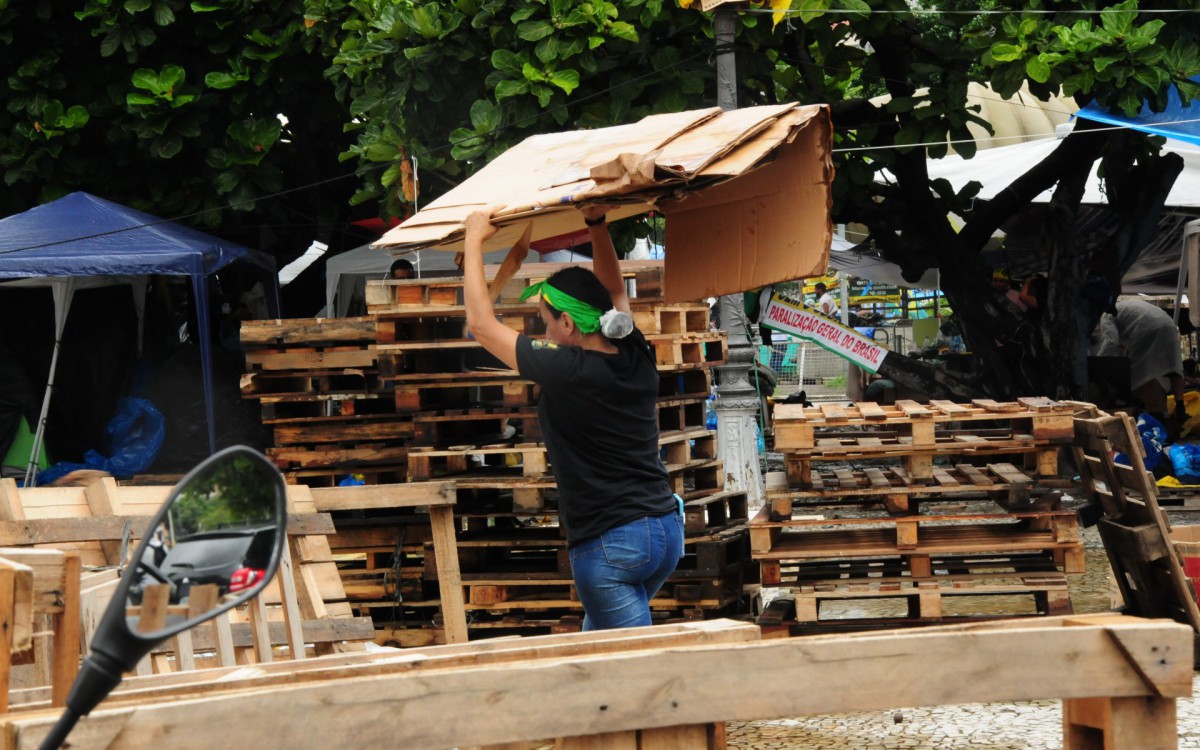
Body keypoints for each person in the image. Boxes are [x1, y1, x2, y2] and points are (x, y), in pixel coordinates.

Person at [461, 204, 683, 630]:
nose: (544, 334)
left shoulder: (568, 369)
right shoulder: (635, 351)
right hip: (664, 531)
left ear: (567, 323)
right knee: (593, 650)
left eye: (545, 323)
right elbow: (614, 292)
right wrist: (596, 224)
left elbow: (481, 325)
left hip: (611, 544)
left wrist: (474, 240)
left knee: (631, 670)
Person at [1103, 299, 1186, 423]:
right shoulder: (1125, 306)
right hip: (1169, 325)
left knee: (1140, 376)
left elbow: (1111, 342)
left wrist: (1101, 365)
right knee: (1173, 366)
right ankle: (1180, 406)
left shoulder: (1105, 314)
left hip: (1145, 328)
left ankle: (1145, 413)